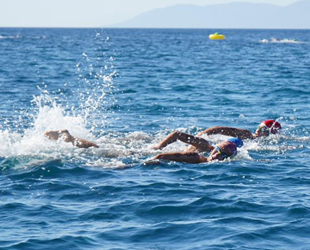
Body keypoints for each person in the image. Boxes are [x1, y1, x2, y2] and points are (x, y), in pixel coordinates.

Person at [153, 131, 243, 163]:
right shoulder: (203, 146)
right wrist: (158, 147)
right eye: (217, 150)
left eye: (223, 155)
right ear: (216, 147)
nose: (216, 156)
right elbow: (177, 134)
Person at [195, 119, 281, 140]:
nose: (258, 131)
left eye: (263, 130)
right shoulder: (247, 135)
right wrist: (200, 135)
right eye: (259, 127)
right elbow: (217, 129)